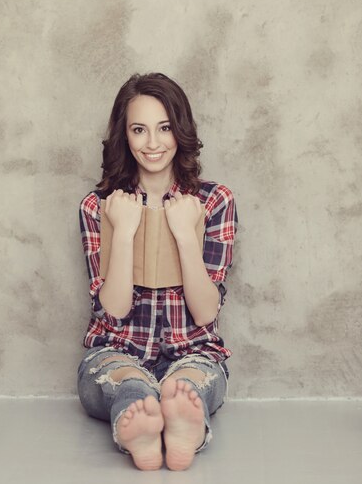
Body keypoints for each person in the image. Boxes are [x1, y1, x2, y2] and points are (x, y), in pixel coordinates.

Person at [77, 72, 238, 471]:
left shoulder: (214, 201)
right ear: (124, 136)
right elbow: (112, 310)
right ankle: (143, 432)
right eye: (139, 129)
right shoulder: (99, 207)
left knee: (187, 387)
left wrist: (185, 234)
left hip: (193, 352)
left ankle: (185, 426)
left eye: (164, 128)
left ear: (180, 130)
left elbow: (205, 313)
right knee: (129, 386)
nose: (152, 143)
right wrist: (126, 230)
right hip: (117, 352)